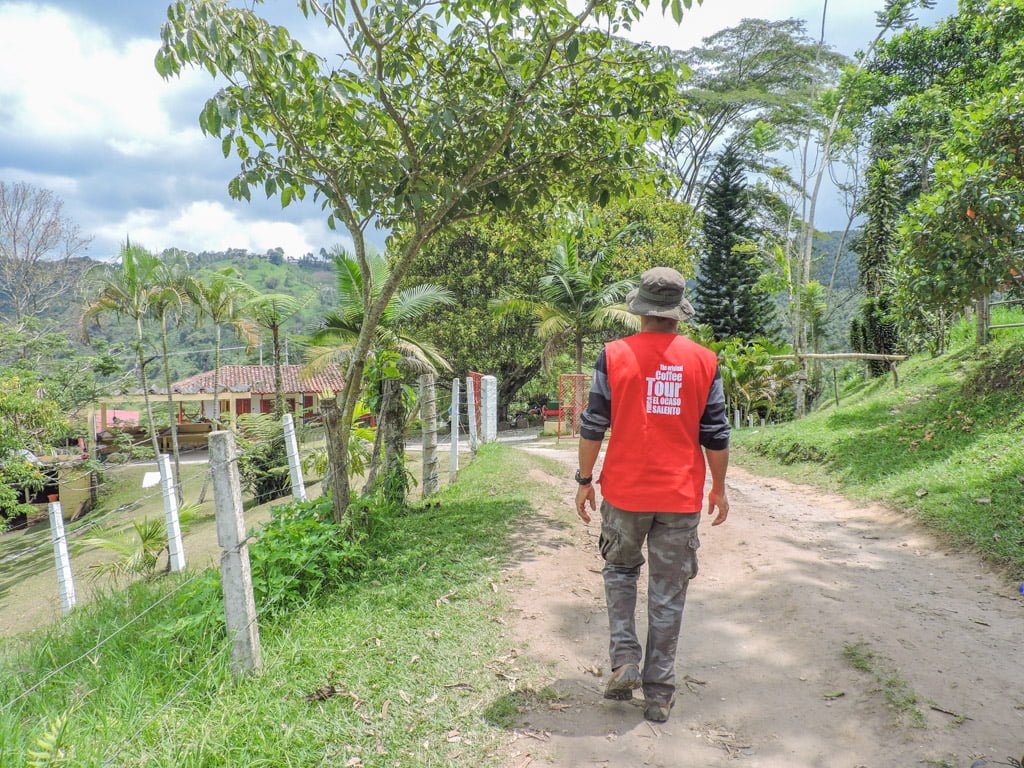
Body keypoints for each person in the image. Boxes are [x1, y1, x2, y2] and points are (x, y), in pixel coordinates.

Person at [574, 266, 730, 723]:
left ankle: (625, 659)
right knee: (669, 589)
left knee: (620, 572)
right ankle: (659, 692)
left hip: (625, 492)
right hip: (680, 495)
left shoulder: (613, 355)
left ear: (640, 310)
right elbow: (716, 433)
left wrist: (584, 480)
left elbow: (593, 424)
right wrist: (719, 488)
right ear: (678, 312)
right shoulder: (705, 361)